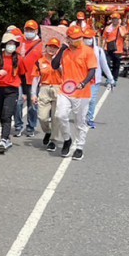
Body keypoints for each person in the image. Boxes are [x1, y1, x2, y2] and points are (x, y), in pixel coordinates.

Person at [49, 27, 97, 161]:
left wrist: (84, 82)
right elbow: (54, 65)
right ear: (68, 39)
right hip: (65, 90)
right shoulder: (64, 51)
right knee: (60, 115)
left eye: (79, 37)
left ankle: (79, 147)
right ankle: (67, 139)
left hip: (82, 92)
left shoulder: (88, 51)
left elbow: (92, 70)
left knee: (80, 121)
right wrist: (61, 50)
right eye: (74, 38)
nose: (78, 40)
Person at [0, 32, 23, 153]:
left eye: (13, 44)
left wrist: (27, 93)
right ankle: (6, 137)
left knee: (7, 114)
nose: (11, 46)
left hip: (12, 90)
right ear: (4, 44)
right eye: (9, 43)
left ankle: (4, 138)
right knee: (2, 114)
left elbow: (24, 75)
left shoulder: (18, 58)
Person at [14, 20, 44, 137]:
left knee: (32, 105)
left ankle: (31, 126)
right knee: (18, 103)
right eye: (27, 30)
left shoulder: (41, 44)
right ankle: (18, 126)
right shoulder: (18, 42)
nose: (29, 32)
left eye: (31, 30)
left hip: (33, 78)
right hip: (19, 77)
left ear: (36, 31)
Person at [35, 37, 64, 148]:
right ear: (46, 47)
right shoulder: (39, 61)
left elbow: (66, 75)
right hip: (44, 88)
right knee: (42, 117)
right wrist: (33, 94)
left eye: (55, 47)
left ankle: (54, 140)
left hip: (58, 88)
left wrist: (59, 66)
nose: (52, 49)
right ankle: (48, 131)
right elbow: (36, 78)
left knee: (56, 116)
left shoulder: (61, 61)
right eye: (50, 46)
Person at [86, 34, 116, 129]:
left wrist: (110, 79)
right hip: (83, 80)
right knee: (83, 101)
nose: (88, 40)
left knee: (92, 100)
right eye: (85, 38)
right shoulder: (79, 51)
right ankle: (82, 118)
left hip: (95, 80)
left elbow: (104, 65)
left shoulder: (98, 51)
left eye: (89, 38)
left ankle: (90, 119)